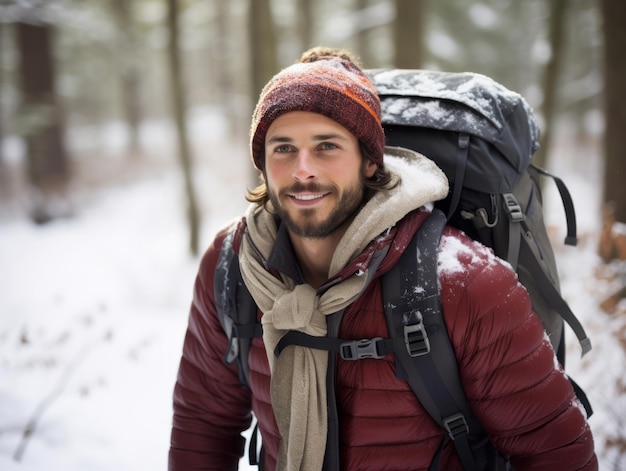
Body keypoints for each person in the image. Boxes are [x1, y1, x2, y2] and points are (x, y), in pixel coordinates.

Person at [168, 47, 597, 471]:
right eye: (283, 148)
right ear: (261, 163)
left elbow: (556, 455)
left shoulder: (465, 282)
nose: (302, 170)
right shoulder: (233, 266)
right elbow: (203, 426)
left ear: (371, 163)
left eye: (326, 146)